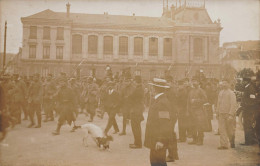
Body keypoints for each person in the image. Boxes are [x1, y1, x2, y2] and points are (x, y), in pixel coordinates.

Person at [144, 78, 173, 166]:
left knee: (158, 163)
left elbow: (165, 123)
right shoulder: (158, 100)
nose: (151, 89)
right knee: (155, 162)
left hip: (158, 140)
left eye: (152, 87)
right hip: (155, 138)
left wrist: (161, 140)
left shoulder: (162, 102)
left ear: (155, 89)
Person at [216, 79, 237, 149]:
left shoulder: (231, 93)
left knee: (230, 130)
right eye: (223, 83)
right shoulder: (220, 92)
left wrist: (231, 114)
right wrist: (217, 112)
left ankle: (232, 141)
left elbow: (233, 104)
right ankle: (224, 145)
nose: (224, 84)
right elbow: (218, 103)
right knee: (222, 130)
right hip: (221, 114)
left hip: (228, 114)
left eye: (225, 83)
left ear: (228, 84)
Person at [187, 77, 207, 145]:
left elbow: (205, 100)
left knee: (200, 126)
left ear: (198, 82)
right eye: (192, 81)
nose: (193, 83)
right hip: (192, 111)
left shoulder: (201, 90)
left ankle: (200, 140)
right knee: (193, 126)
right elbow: (188, 102)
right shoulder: (191, 91)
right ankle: (194, 139)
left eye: (195, 81)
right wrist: (188, 111)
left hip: (199, 111)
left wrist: (196, 101)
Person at [240, 76, 258, 145]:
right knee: (248, 125)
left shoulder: (250, 87)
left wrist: (246, 105)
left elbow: (252, 99)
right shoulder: (249, 86)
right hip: (248, 109)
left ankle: (248, 142)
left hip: (248, 109)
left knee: (247, 125)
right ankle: (250, 141)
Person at [129, 75, 144, 149]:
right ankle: (137, 142)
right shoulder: (139, 88)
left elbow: (131, 96)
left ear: (136, 81)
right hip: (137, 108)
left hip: (136, 109)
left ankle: (138, 144)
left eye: (134, 81)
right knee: (136, 126)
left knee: (135, 127)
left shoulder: (138, 89)